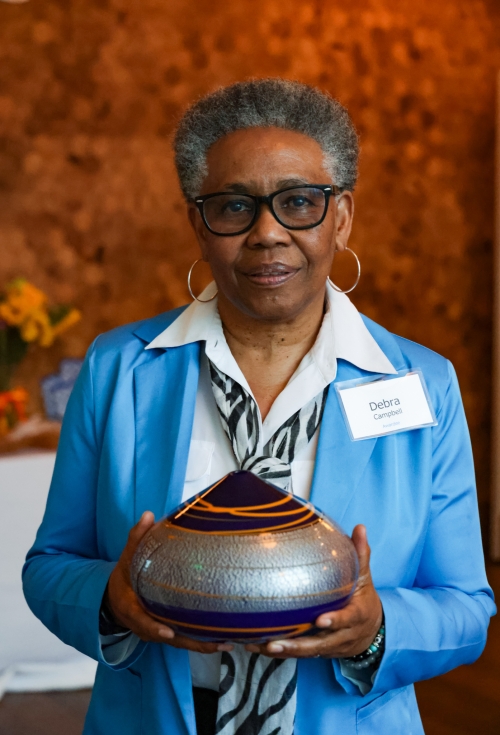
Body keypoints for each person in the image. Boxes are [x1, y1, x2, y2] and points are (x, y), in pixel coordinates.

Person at [23, 79, 495, 735]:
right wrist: (111, 599)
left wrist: (378, 626)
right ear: (198, 224)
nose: (267, 233)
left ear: (342, 217)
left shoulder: (423, 384)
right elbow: (50, 566)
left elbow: (466, 607)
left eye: (299, 202)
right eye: (234, 206)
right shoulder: (119, 369)